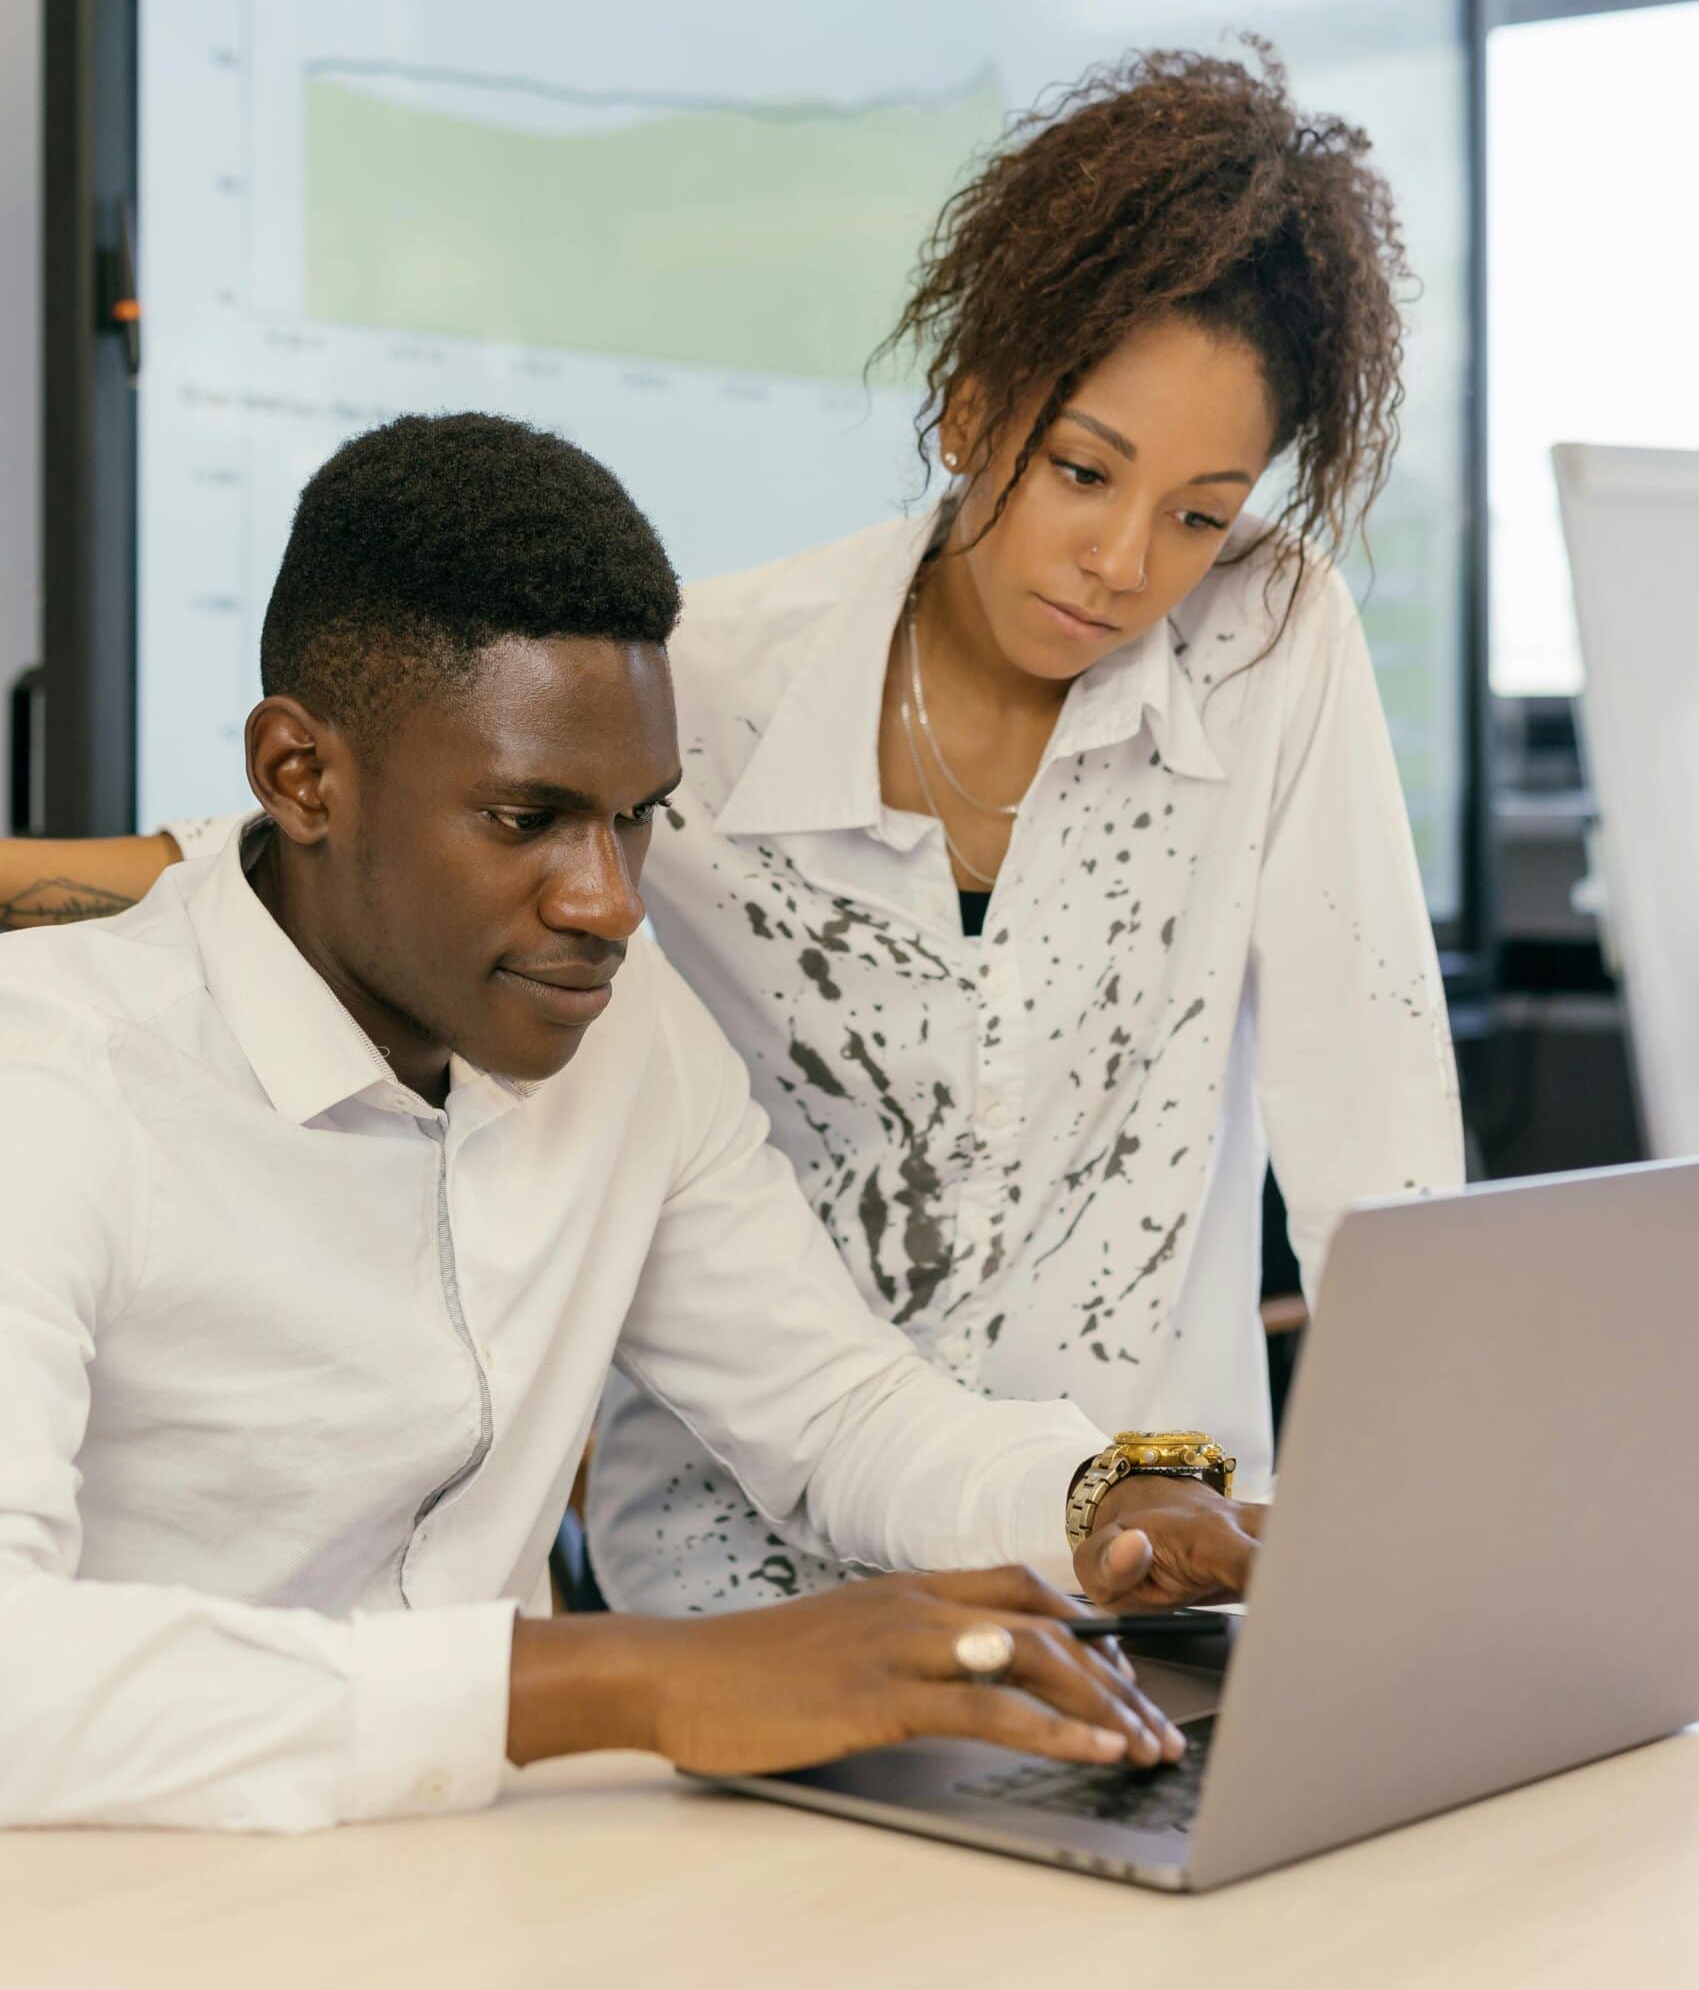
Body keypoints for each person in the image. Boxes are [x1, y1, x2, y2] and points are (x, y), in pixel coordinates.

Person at [0, 44, 1461, 1624]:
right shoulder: (680, 689)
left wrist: (1220, 1507)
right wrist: (634, 1685)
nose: (1124, 561)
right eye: (1081, 472)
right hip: (696, 1616)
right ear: (973, 411)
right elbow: (322, 845)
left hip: (1051, 1584)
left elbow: (854, 1408)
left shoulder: (636, 1056)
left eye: (1197, 512)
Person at [0, 413, 1260, 1836]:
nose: (606, 900)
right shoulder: (48, 1080)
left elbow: (832, 1409)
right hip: (120, 1897)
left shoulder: (615, 1020)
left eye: (636, 818)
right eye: (526, 818)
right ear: (303, 777)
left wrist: (1099, 1506)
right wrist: (629, 1682)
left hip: (482, 1880)